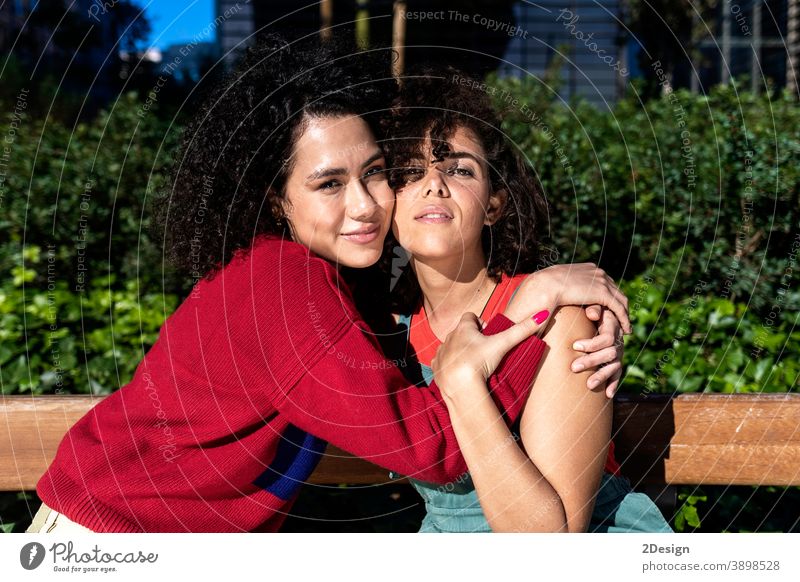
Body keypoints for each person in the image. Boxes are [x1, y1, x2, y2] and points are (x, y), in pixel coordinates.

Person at [25, 37, 622, 533]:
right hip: (110, 538)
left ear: (494, 202)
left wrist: (548, 317)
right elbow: (432, 446)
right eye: (329, 184)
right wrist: (530, 314)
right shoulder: (284, 289)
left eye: (375, 174)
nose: (364, 206)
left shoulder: (342, 292)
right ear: (275, 199)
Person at [381, 67, 673, 533]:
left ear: (493, 205)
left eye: (458, 169)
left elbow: (549, 545)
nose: (433, 184)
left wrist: (470, 373)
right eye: (409, 173)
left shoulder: (561, 320)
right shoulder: (387, 329)